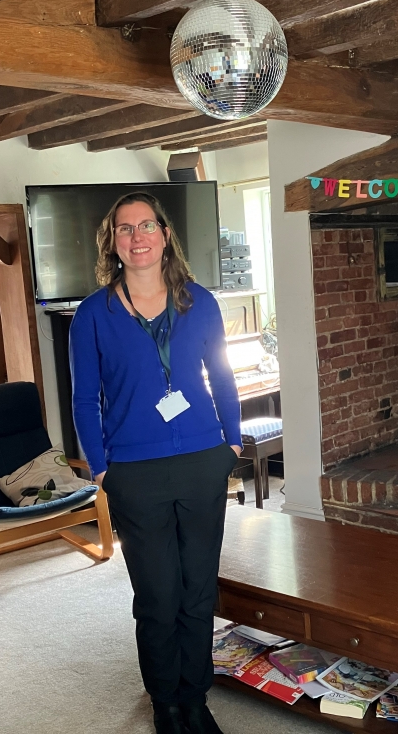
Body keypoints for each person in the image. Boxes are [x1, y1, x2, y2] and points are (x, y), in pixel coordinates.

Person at [70, 192, 242, 734]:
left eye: (147, 225)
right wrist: (101, 468)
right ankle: (165, 701)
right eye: (126, 229)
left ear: (165, 235)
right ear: (113, 243)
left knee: (197, 591)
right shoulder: (92, 314)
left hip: (201, 459)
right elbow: (83, 398)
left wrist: (231, 444)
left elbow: (224, 373)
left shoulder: (200, 302)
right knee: (158, 594)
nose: (137, 236)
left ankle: (197, 698)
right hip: (134, 473)